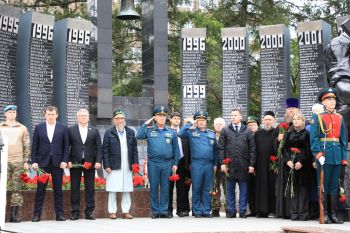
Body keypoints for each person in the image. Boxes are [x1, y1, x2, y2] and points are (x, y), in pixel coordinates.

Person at [310, 88, 348, 224]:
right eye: (329, 99)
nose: (332, 102)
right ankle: (324, 213)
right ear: (323, 102)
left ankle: (333, 214)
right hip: (324, 156)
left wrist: (344, 158)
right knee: (323, 185)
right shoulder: (317, 118)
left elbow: (343, 140)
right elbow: (314, 139)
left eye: (333, 99)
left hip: (336, 156)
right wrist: (318, 154)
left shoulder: (339, 118)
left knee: (334, 186)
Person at [136, 106, 179, 219]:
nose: (162, 118)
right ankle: (155, 211)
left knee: (165, 188)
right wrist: (146, 123)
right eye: (159, 116)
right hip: (154, 163)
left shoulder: (171, 131)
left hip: (167, 163)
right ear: (155, 117)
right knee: (154, 187)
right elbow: (139, 135)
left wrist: (175, 164)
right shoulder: (150, 130)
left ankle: (164, 211)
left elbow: (176, 150)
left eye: (164, 116)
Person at [31, 106, 69, 222]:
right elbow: (34, 146)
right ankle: (37, 215)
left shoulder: (63, 128)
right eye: (48, 114)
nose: (50, 116)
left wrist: (64, 160)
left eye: (53, 114)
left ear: (56, 115)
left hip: (58, 164)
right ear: (45, 115)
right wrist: (34, 161)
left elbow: (66, 146)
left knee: (58, 190)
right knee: (40, 189)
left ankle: (59, 215)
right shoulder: (39, 128)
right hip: (43, 163)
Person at [178, 111, 217, 218]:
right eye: (198, 120)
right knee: (197, 187)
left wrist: (215, 164)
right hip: (196, 163)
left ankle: (206, 210)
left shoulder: (211, 133)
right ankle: (197, 210)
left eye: (203, 120)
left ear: (206, 121)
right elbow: (180, 133)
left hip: (209, 164)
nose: (201, 122)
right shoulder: (191, 132)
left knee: (207, 188)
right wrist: (190, 123)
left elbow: (215, 150)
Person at [218, 108, 256, 218]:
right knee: (230, 189)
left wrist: (252, 165)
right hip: (229, 165)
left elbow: (252, 149)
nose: (233, 117)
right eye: (232, 115)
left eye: (235, 115)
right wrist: (222, 163)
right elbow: (221, 148)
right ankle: (231, 210)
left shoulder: (247, 130)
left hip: (244, 164)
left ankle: (243, 210)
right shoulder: (225, 130)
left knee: (243, 189)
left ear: (240, 117)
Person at [102, 109, 139, 219]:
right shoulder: (109, 132)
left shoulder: (131, 132)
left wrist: (135, 164)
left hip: (127, 165)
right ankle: (112, 212)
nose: (120, 120)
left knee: (126, 189)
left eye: (121, 118)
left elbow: (135, 150)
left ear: (124, 119)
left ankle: (125, 211)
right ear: (114, 120)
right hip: (114, 165)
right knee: (113, 189)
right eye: (117, 118)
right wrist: (106, 165)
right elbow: (105, 150)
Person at [68, 109, 102, 220]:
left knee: (90, 187)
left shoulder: (94, 130)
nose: (83, 117)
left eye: (85, 115)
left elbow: (98, 147)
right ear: (77, 117)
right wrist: (68, 160)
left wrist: (98, 161)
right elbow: (66, 147)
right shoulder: (71, 130)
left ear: (88, 117)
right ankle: (75, 212)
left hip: (90, 163)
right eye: (81, 115)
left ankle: (89, 212)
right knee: (75, 187)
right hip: (75, 163)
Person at [0, 105, 30, 222]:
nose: (12, 114)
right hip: (3, 161)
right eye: (10, 112)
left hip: (18, 161)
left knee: (17, 189)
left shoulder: (22, 128)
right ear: (5, 114)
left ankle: (13, 216)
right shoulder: (0, 127)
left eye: (14, 112)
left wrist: (26, 161)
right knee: (1, 187)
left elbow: (26, 145)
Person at [281, 112, 311, 221]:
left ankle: (303, 214)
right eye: (294, 119)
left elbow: (309, 150)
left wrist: (301, 161)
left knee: (303, 190)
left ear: (303, 121)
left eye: (298, 119)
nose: (296, 121)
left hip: (303, 166)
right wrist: (288, 160)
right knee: (293, 190)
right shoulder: (289, 134)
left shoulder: (307, 134)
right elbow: (284, 149)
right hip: (290, 165)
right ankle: (294, 213)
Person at [275, 98, 301, 219]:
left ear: (297, 110)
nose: (290, 111)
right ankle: (282, 211)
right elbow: (273, 144)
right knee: (283, 185)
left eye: (293, 109)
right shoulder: (281, 126)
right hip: (283, 161)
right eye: (289, 109)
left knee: (294, 186)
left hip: (296, 161)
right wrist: (277, 139)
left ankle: (293, 211)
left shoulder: (301, 125)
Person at [168, 112, 191, 217]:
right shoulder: (167, 131)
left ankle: (181, 209)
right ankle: (168, 209)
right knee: (169, 187)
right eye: (175, 118)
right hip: (170, 162)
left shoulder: (184, 133)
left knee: (182, 187)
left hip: (182, 162)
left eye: (178, 118)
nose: (177, 120)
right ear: (170, 120)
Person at [254, 111, 277, 218]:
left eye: (270, 119)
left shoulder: (277, 133)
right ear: (263, 121)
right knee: (261, 187)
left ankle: (273, 209)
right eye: (266, 119)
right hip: (260, 165)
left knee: (272, 186)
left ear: (274, 121)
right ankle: (261, 210)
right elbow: (253, 150)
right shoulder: (258, 134)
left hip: (272, 165)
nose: (267, 121)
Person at [211, 117, 227, 217]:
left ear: (224, 125)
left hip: (226, 165)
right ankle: (215, 208)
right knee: (215, 187)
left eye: (221, 124)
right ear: (214, 126)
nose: (219, 125)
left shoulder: (228, 135)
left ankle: (228, 208)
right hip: (214, 166)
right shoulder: (210, 135)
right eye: (217, 124)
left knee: (227, 188)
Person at [245, 116, 259, 217]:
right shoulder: (245, 135)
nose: (251, 127)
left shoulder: (260, 135)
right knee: (249, 189)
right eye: (249, 125)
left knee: (259, 188)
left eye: (253, 125)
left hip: (259, 166)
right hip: (247, 166)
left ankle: (260, 209)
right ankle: (252, 209)